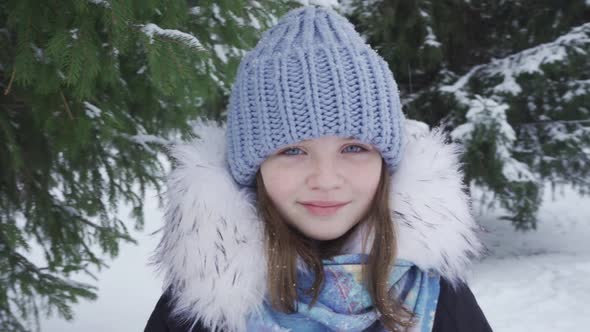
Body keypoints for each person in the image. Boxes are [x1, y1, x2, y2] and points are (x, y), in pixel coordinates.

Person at [145, 6, 492, 332]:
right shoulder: (200, 308)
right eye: (293, 150)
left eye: (353, 148)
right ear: (254, 167)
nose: (326, 180)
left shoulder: (440, 297)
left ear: (385, 163)